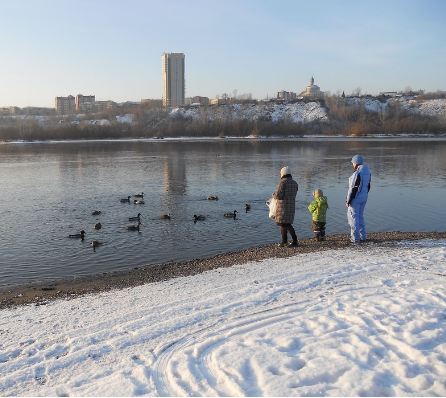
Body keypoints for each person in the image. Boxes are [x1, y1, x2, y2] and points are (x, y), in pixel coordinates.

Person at [346, 154, 371, 243]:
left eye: (352, 163)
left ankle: (355, 239)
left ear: (356, 163)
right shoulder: (367, 172)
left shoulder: (357, 173)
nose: (352, 164)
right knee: (360, 217)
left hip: (355, 199)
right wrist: (364, 195)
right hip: (364, 197)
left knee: (353, 218)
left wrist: (348, 200)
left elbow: (353, 188)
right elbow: (368, 186)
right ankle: (362, 236)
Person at [273, 166, 299, 247]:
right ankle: (284, 242)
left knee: (285, 224)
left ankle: (294, 241)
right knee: (285, 224)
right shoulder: (295, 183)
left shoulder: (282, 183)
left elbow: (278, 195)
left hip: (282, 207)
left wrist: (273, 195)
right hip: (291, 206)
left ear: (283, 173)